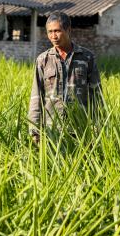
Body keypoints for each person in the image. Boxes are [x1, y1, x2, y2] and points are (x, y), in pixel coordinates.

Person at [28, 11, 103, 144]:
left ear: (68, 30)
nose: (53, 36)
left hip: (80, 130)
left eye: (57, 31)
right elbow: (36, 96)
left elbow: (96, 95)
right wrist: (34, 130)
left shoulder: (87, 57)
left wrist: (98, 127)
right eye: (50, 32)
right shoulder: (43, 60)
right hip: (51, 131)